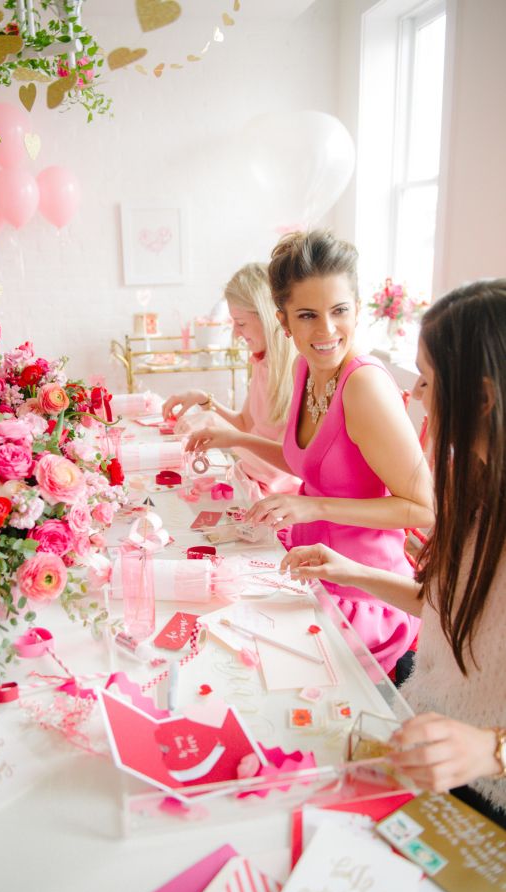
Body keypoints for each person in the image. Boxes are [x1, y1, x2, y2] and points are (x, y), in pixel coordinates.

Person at [280, 279, 506, 827]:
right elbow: (449, 609)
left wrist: (491, 750)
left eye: (427, 380)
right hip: (424, 743)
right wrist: (351, 572)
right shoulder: (477, 489)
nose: (417, 396)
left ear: (480, 398)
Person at [187, 231, 434, 673]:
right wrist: (237, 437)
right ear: (284, 322)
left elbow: (422, 509)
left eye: (339, 311)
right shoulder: (307, 367)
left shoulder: (364, 386)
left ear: (357, 310)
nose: (325, 331)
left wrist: (311, 505)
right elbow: (313, 466)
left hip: (361, 596)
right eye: (307, 315)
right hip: (311, 568)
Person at [162, 263, 300, 497]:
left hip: (278, 498)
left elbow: (277, 470)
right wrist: (206, 402)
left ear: (268, 317)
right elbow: (246, 424)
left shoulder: (297, 374)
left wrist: (215, 423)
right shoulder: (261, 361)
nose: (236, 333)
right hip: (250, 482)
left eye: (241, 323)